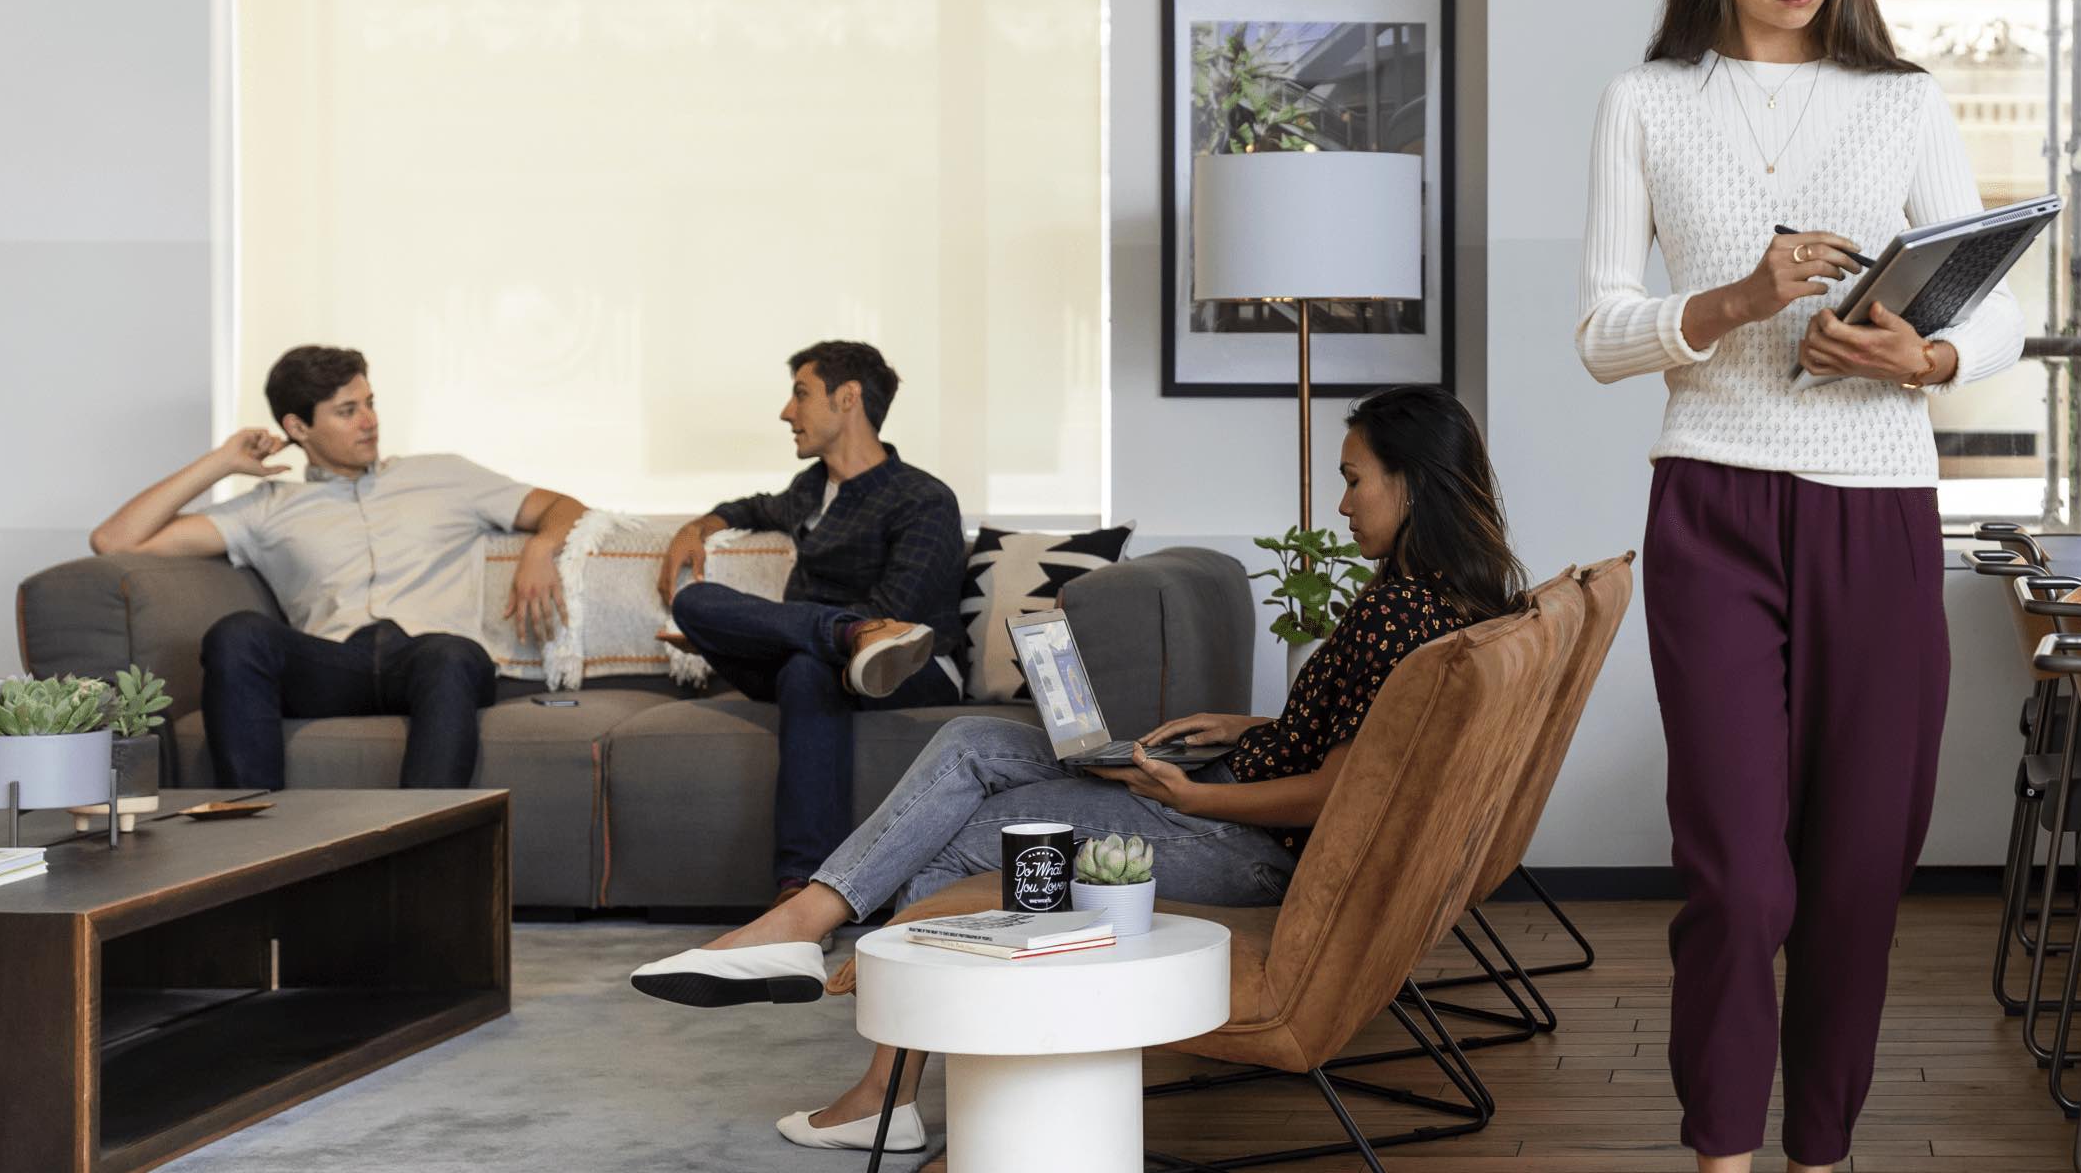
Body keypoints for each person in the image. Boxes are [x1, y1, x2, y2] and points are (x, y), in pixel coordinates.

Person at [626, 385, 1522, 1157]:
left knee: (976, 835)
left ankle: (877, 1086)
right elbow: (1356, 739)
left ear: (1411, 483)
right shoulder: (1434, 602)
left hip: (1248, 843)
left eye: (1353, 479)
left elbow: (1339, 791)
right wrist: (1247, 726)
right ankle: (805, 929)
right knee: (979, 740)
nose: (1342, 503)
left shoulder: (1401, 613)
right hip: (1229, 802)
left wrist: (1197, 791)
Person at [1575, 0, 2025, 1173]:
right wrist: (1738, 297)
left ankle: (1820, 1153)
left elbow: (1996, 314)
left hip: (1877, 507)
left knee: (1856, 874)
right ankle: (1722, 1153)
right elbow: (1602, 334)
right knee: (1735, 873)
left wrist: (1924, 351)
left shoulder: (1906, 101)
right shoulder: (1647, 102)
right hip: (1711, 505)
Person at [89, 344, 586, 790]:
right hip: (333, 663)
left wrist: (541, 550)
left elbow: (563, 507)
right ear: (297, 427)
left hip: (433, 660)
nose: (368, 421)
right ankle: (254, 839)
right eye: (347, 411)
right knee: (236, 633)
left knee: (450, 656)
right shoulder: (268, 507)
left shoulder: (444, 474)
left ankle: (419, 847)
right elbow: (114, 540)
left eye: (369, 404)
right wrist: (221, 462)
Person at [656, 341, 971, 895]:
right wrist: (697, 527)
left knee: (808, 667)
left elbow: (895, 619)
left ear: (847, 398)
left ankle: (801, 887)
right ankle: (840, 634)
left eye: (800, 394)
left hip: (909, 666)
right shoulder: (811, 488)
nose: (786, 412)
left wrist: (760, 633)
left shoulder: (923, 499)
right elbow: (755, 508)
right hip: (823, 652)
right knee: (694, 605)